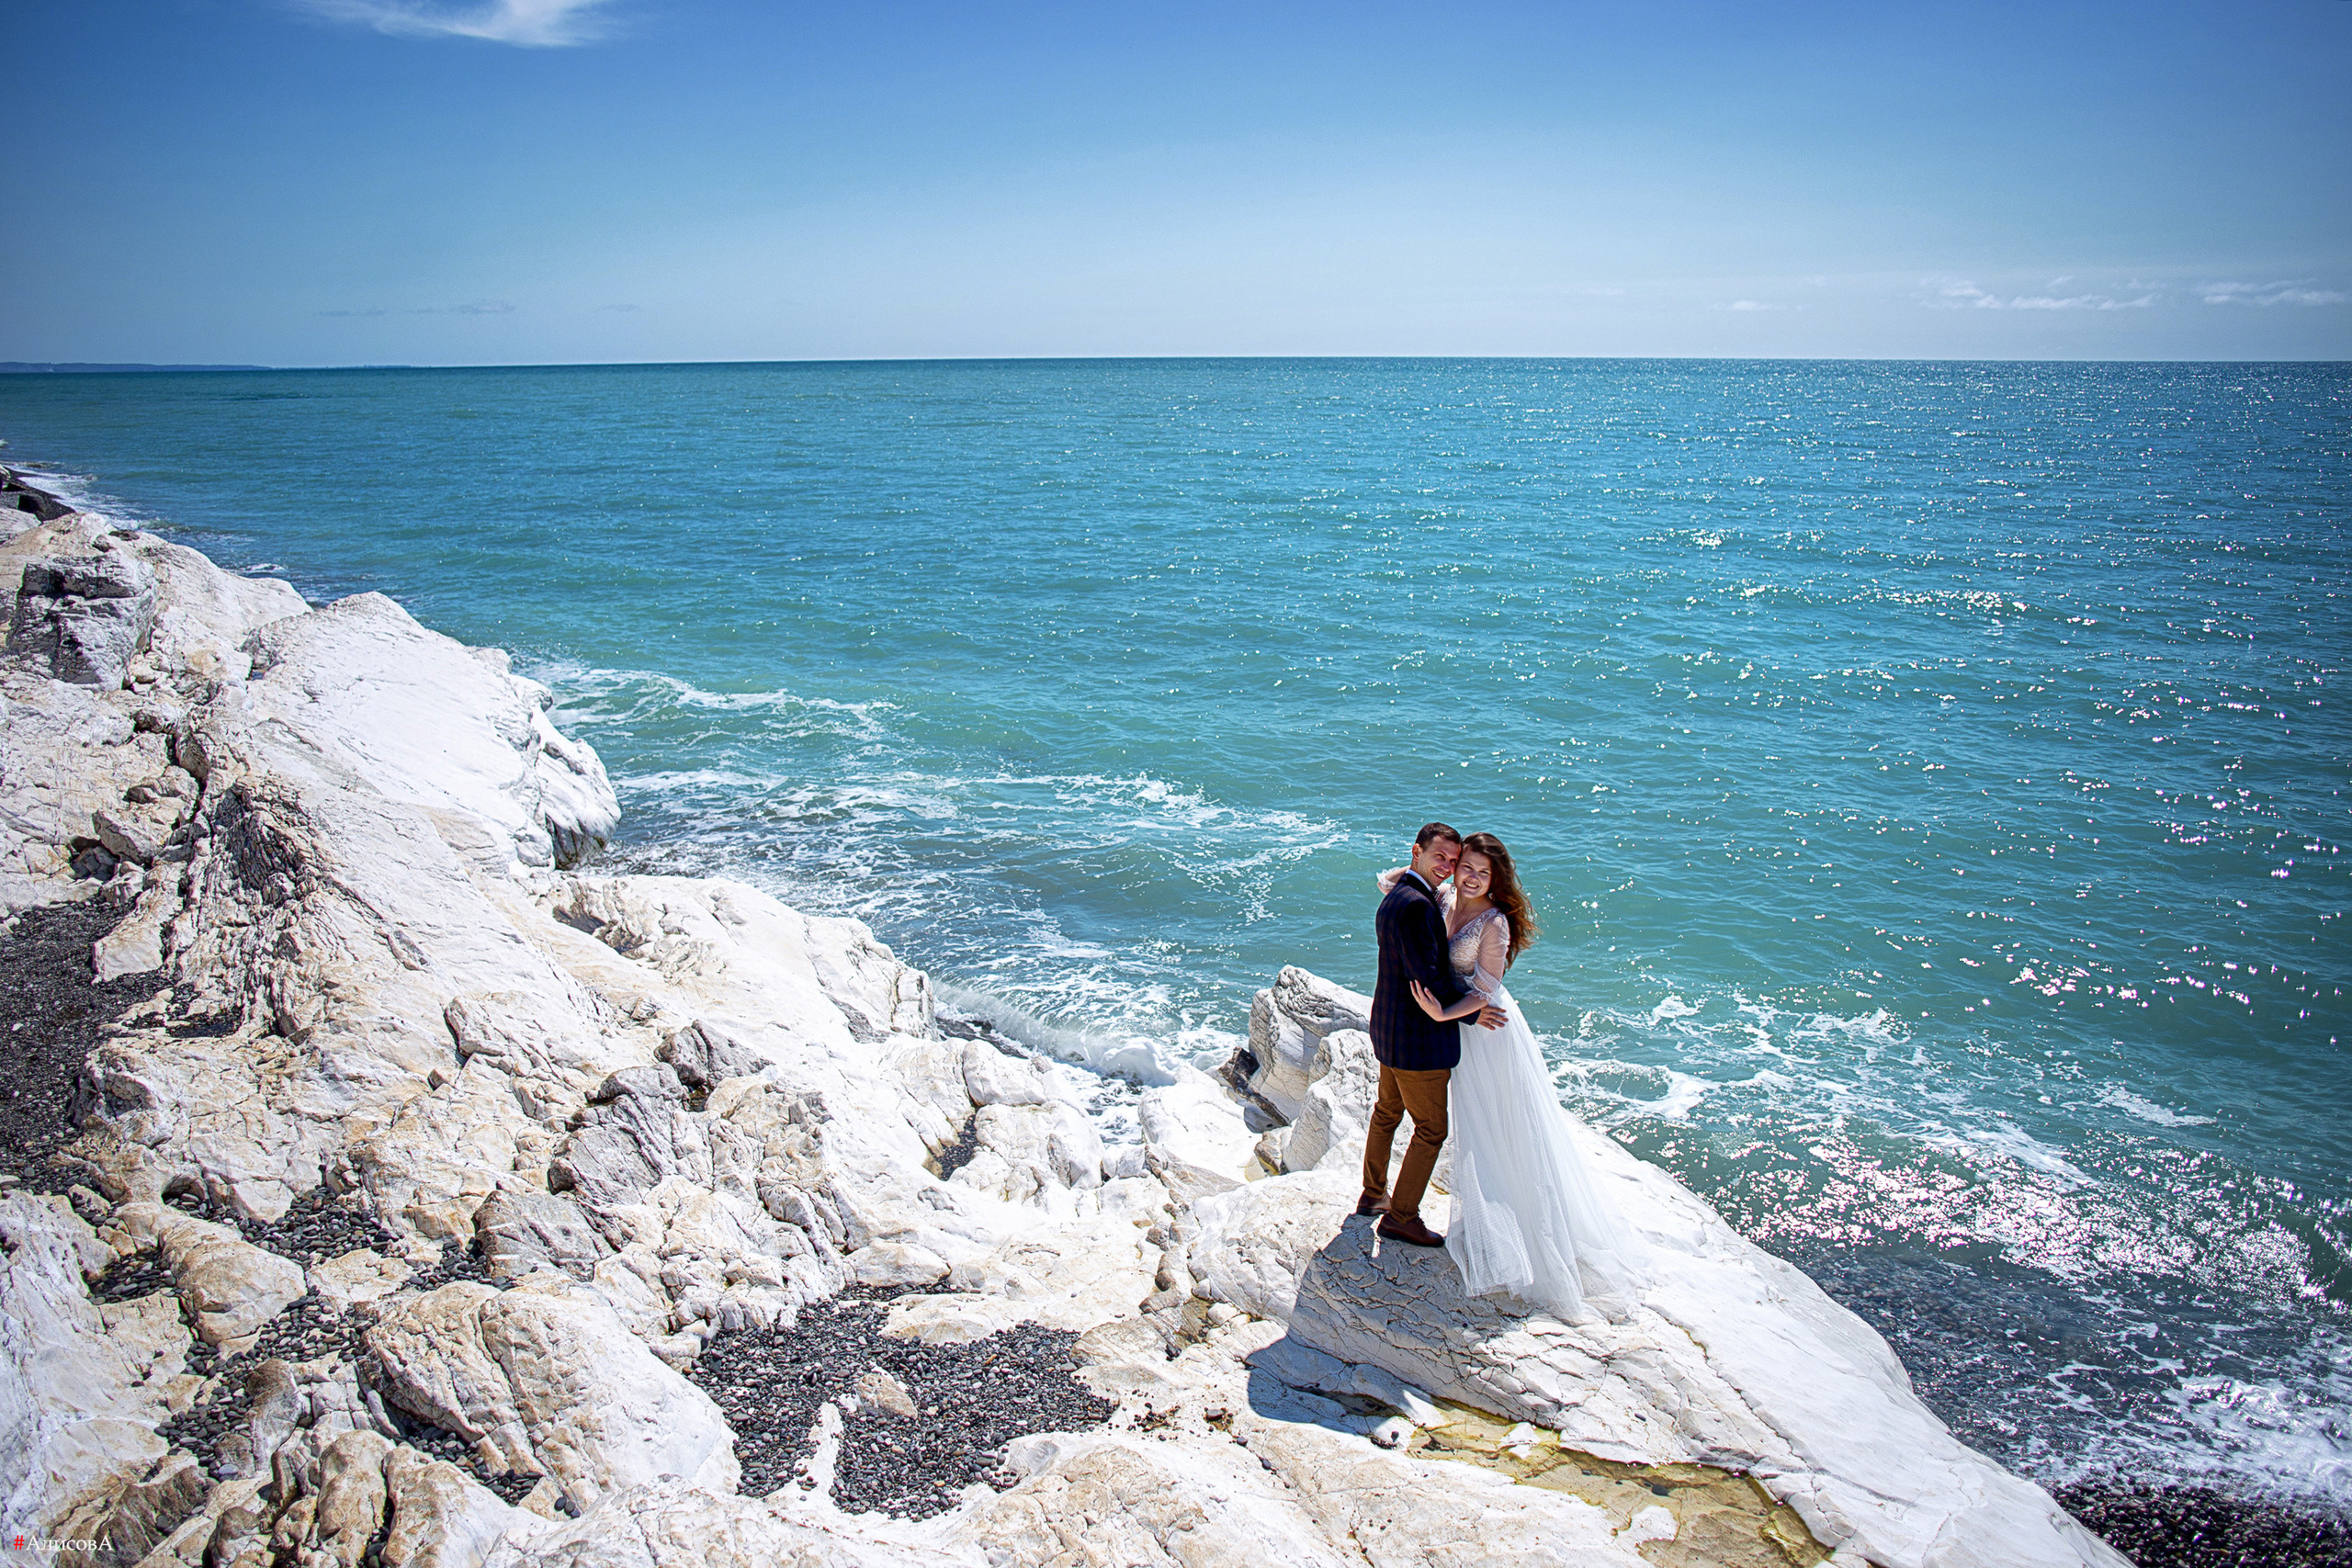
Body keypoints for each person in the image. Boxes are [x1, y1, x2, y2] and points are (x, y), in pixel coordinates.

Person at [1392, 831, 1637, 1319]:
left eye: (1483, 873)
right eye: (1466, 867)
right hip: (1461, 1028)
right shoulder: (1441, 896)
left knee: (1502, 1131)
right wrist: (1418, 869)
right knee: (1474, 1131)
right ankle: (1490, 1225)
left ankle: (1526, 1237)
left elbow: (1485, 989)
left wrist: (1444, 1015)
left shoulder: (1494, 923)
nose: (1472, 877)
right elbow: (1392, 882)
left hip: (1488, 1032)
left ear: (1496, 880)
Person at [1361, 822, 1508, 1248]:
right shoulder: (1419, 906)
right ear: (1416, 852)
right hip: (1417, 1040)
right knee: (1431, 1129)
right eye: (1438, 857)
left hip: (1388, 1029)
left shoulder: (1399, 896)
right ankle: (1402, 1217)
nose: (1447, 867)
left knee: (1386, 1112)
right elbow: (1427, 978)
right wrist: (1467, 1015)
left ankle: (1373, 1194)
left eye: (1453, 860)